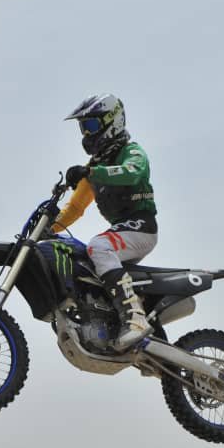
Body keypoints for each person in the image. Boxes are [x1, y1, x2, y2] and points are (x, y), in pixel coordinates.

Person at [54, 93, 158, 351]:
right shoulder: (96, 166)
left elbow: (133, 172)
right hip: (123, 231)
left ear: (112, 121)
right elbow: (75, 208)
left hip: (141, 227)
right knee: (81, 263)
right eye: (83, 128)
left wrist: (91, 172)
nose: (86, 134)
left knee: (99, 246)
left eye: (90, 125)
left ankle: (135, 319)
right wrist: (46, 229)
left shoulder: (131, 152)